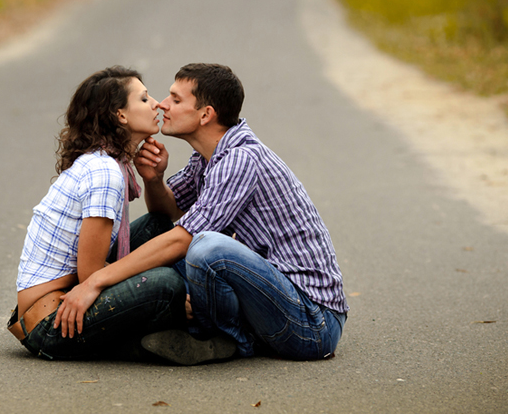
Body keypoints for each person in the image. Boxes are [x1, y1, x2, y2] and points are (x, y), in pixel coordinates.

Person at [54, 63, 349, 364]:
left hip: (312, 323)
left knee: (207, 248)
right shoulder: (209, 155)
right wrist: (153, 179)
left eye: (176, 100)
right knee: (166, 245)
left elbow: (183, 239)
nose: (162, 105)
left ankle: (230, 341)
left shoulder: (238, 159)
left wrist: (96, 280)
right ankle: (171, 321)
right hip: (276, 301)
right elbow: (167, 214)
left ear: (205, 115)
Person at [8, 66, 188, 360]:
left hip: (66, 298)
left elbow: (159, 220)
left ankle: (148, 335)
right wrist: (161, 286)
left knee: (158, 226)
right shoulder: (104, 172)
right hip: (51, 322)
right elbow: (90, 273)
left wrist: (152, 177)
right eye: (144, 99)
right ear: (120, 115)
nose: (156, 104)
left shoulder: (111, 162)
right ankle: (145, 340)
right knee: (165, 285)